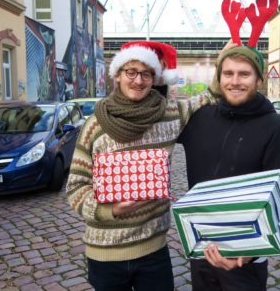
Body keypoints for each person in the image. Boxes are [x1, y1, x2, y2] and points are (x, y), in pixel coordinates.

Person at [65, 41, 219, 291]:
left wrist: (225, 58)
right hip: (106, 254)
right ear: (117, 74)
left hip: (153, 251)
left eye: (145, 73)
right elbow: (75, 187)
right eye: (131, 72)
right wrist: (111, 210)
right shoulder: (95, 125)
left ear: (154, 78)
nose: (138, 80)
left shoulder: (168, 114)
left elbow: (208, 97)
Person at [178, 44, 280, 291]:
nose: (235, 81)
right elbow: (153, 122)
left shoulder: (276, 128)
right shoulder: (199, 118)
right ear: (218, 79)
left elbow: (278, 198)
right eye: (228, 73)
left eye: (244, 74)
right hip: (202, 247)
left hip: (245, 257)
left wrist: (248, 254)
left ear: (259, 79)